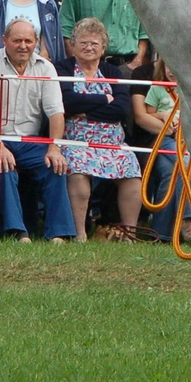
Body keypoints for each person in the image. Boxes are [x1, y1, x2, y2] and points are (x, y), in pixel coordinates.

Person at [0, 18, 71, 241]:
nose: (23, 46)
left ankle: (58, 233)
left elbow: (56, 112)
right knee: (4, 165)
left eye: (28, 40)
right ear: (4, 40)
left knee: (55, 166)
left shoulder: (46, 68)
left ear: (36, 42)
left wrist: (54, 147)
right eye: (17, 40)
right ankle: (18, 232)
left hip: (30, 141)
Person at [56, 17, 142, 239]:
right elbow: (67, 102)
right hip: (74, 141)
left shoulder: (113, 72)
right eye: (83, 42)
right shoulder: (62, 68)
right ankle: (80, 234)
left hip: (113, 143)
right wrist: (105, 98)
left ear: (103, 48)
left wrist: (86, 110)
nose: (88, 48)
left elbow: (121, 109)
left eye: (94, 43)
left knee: (132, 171)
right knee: (77, 171)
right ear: (73, 45)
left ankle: (130, 233)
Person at [130, 57, 191, 242]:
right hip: (162, 140)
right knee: (184, 163)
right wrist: (164, 119)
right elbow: (144, 115)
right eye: (169, 66)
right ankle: (187, 219)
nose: (172, 71)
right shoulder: (153, 85)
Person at [59, 0, 147, 70]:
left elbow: (145, 31)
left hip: (128, 68)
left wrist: (137, 62)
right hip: (87, 66)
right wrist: (79, 64)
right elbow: (65, 27)